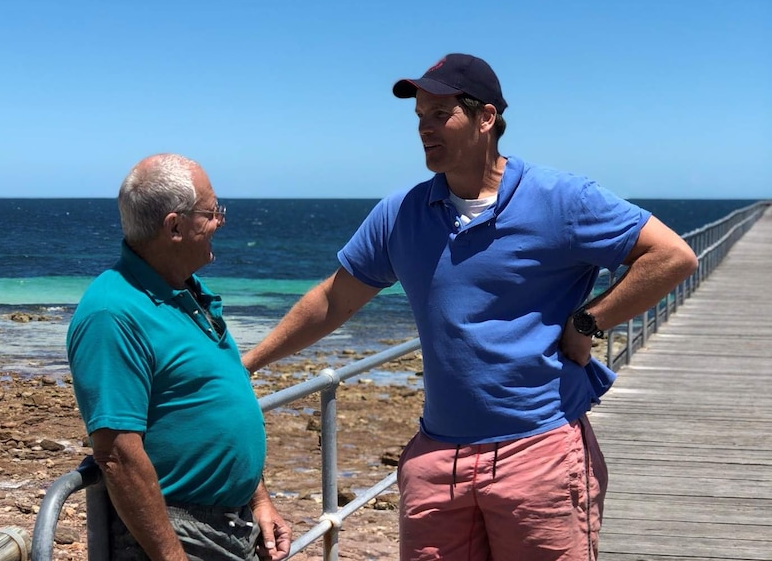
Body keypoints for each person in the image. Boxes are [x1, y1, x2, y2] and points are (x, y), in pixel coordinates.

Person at [242, 54, 698, 560]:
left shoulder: (561, 199)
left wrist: (587, 322)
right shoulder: (401, 213)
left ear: (485, 118)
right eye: (420, 116)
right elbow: (334, 299)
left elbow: (672, 256)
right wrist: (249, 364)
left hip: (539, 452)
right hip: (438, 460)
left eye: (440, 114)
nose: (425, 128)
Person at [67, 153, 291, 561]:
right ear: (174, 226)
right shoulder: (112, 313)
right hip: (178, 533)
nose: (220, 221)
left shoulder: (187, 292)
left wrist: (259, 499)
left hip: (230, 525)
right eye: (211, 212)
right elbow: (117, 453)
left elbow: (212, 399)